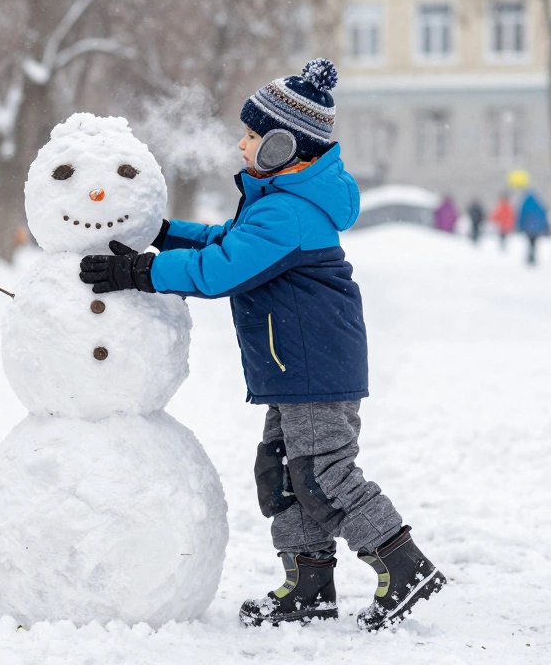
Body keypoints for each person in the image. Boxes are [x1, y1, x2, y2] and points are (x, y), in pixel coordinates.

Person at [78, 59, 444, 631]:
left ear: (281, 145)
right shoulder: (279, 202)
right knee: (282, 472)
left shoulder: (291, 213)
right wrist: (163, 233)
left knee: (325, 474)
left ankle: (403, 566)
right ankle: (310, 584)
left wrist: (142, 273)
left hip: (314, 367)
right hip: (291, 366)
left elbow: (223, 268)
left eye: (252, 136)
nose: (241, 143)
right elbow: (225, 239)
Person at [517, 190, 550, 266]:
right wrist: (544, 226)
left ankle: (530, 256)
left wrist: (520, 226)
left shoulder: (525, 205)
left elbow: (522, 216)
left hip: (528, 228)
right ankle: (533, 256)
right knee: (534, 242)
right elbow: (543, 216)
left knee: (530, 242)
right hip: (536, 228)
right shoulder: (538, 204)